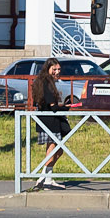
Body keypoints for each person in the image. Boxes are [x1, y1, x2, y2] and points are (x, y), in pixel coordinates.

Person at [31, 58, 70, 190]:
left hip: (46, 119)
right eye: (54, 69)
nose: (57, 72)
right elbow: (52, 107)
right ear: (48, 69)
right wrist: (66, 108)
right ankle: (45, 180)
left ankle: (44, 178)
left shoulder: (43, 82)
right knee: (53, 150)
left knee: (57, 151)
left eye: (59, 69)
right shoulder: (46, 83)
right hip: (49, 121)